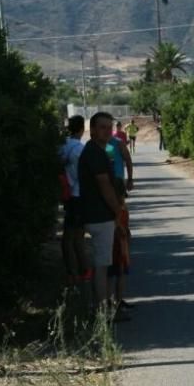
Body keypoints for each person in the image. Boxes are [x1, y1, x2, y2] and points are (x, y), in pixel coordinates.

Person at [78, 112, 123, 313]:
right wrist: (117, 210)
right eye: (102, 127)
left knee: (102, 263)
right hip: (100, 215)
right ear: (93, 129)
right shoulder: (95, 153)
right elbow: (104, 186)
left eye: (109, 127)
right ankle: (102, 311)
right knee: (102, 265)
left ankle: (101, 307)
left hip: (97, 214)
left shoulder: (95, 150)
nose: (106, 131)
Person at [58, 115, 88, 285]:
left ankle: (74, 270)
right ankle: (78, 271)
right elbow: (81, 175)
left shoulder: (62, 146)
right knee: (75, 236)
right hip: (78, 195)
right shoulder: (79, 149)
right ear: (81, 128)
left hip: (67, 194)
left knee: (70, 235)